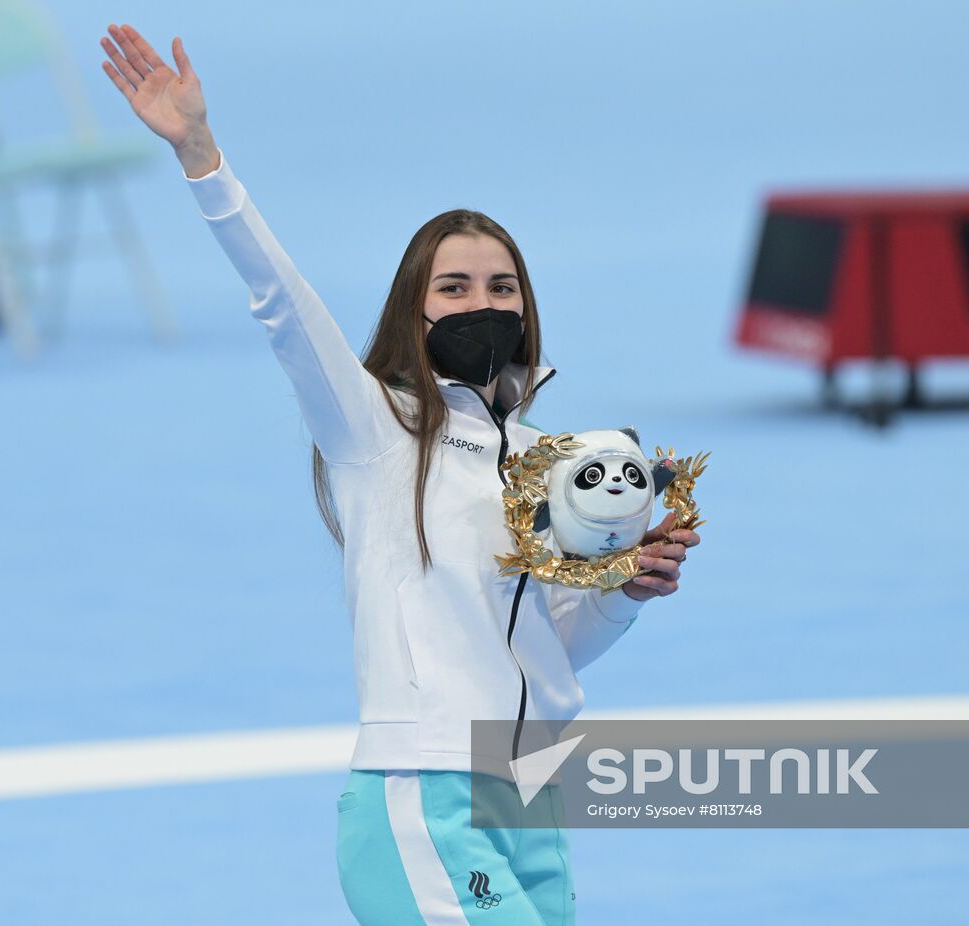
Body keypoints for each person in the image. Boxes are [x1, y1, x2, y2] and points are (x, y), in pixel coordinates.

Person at [99, 23, 700, 925]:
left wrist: (621, 592)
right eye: (453, 288)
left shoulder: (548, 464)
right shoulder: (376, 427)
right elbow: (281, 304)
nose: (482, 303)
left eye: (502, 288)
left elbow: (547, 646)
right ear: (413, 312)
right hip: (426, 795)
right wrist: (200, 155)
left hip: (528, 799)